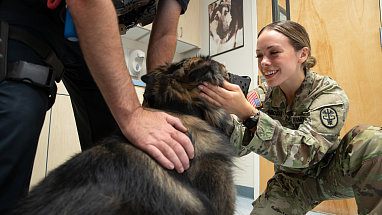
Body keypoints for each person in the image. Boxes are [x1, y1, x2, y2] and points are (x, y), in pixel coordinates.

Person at [0, 0, 194, 214]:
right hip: (29, 12)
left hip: (86, 29)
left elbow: (165, 33)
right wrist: (131, 114)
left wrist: (154, 100)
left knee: (118, 144)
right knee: (19, 114)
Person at [199, 20, 382, 215]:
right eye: (259, 55)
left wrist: (249, 116)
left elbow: (308, 152)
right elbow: (238, 147)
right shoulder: (261, 96)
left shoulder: (328, 93)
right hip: (290, 182)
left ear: (302, 54)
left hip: (332, 172)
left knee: (372, 140)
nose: (264, 62)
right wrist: (217, 117)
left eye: (274, 52)